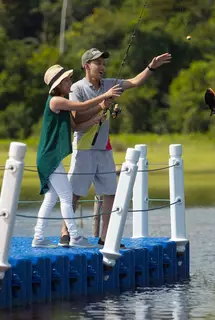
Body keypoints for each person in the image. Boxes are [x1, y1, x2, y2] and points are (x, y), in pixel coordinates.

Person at [57, 48, 172, 248]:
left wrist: (151, 67)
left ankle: (106, 237)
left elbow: (135, 82)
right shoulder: (77, 88)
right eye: (97, 63)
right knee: (75, 192)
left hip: (104, 148)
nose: (102, 67)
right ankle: (65, 232)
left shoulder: (110, 84)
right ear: (86, 66)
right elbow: (77, 119)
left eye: (103, 63)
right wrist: (102, 105)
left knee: (110, 192)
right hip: (84, 147)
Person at [32, 64, 123, 248]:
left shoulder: (62, 102)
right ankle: (74, 237)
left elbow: (77, 127)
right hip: (49, 157)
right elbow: (82, 105)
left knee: (51, 198)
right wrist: (104, 97)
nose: (70, 83)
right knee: (66, 196)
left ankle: (38, 237)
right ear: (58, 85)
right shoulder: (56, 101)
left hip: (50, 157)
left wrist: (96, 119)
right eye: (66, 80)